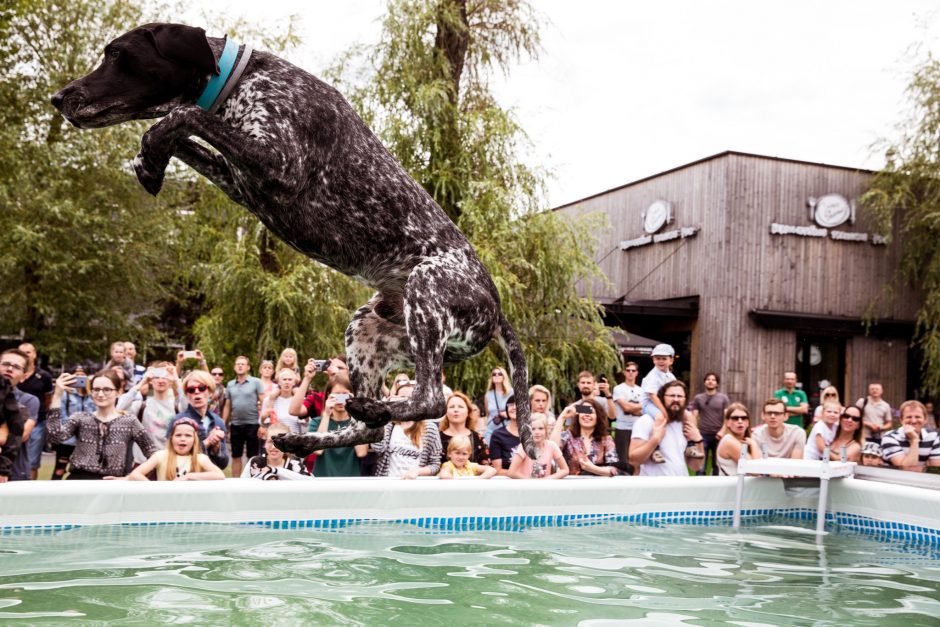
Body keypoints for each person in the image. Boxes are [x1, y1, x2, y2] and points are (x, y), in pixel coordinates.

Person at [46, 369, 158, 479]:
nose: (100, 394)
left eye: (107, 389)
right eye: (96, 389)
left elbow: (153, 453)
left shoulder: (129, 421)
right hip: (79, 482)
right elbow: (54, 437)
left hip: (112, 484)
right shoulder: (80, 418)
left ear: (118, 392)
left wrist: (130, 477)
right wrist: (57, 396)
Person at [630, 380, 705, 476]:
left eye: (680, 396)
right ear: (662, 398)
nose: (676, 399)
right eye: (672, 396)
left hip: (680, 487)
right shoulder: (646, 421)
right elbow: (633, 460)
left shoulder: (686, 424)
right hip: (654, 488)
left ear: (685, 400)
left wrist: (698, 440)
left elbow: (696, 467)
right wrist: (655, 440)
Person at [371, 379, 441, 478]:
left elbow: (435, 465)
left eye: (411, 398)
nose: (407, 401)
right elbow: (378, 448)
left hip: (415, 487)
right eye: (402, 397)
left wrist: (417, 471)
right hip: (388, 485)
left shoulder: (430, 428)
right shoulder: (389, 425)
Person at [117, 362, 183, 465]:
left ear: (170, 381)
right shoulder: (141, 406)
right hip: (142, 464)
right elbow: (119, 408)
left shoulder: (177, 407)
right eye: (157, 377)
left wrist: (176, 379)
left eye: (165, 377)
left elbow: (189, 407)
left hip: (168, 464)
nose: (160, 380)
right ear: (151, 380)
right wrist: (142, 382)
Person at [126, 418, 225, 481]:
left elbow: (219, 475)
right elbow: (135, 474)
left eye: (188, 436)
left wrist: (188, 476)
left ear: (195, 440)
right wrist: (156, 491)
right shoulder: (161, 455)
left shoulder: (201, 458)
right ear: (171, 438)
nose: (182, 439)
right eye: (178, 435)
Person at [307, 377, 369, 477]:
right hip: (322, 479)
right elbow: (318, 451)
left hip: (350, 480)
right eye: (336, 395)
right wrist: (326, 414)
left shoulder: (359, 423)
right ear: (328, 396)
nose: (340, 400)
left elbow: (361, 452)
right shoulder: (316, 422)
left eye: (345, 395)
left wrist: (354, 412)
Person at [168, 370, 229, 471]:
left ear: (210, 392)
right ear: (187, 395)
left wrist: (216, 448)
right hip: (186, 481)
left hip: (211, 481)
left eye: (201, 388)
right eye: (191, 389)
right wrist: (208, 442)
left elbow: (223, 464)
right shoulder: (178, 421)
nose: (196, 392)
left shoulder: (219, 422)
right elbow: (173, 458)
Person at [551, 399, 620, 476]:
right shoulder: (567, 436)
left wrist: (592, 468)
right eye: (584, 411)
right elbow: (552, 449)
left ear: (598, 416)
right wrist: (562, 417)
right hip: (570, 485)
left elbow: (614, 470)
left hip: (598, 485)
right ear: (578, 416)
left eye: (591, 412)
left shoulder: (606, 440)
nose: (587, 415)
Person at [16, 343, 54, 480]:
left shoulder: (44, 376)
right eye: (22, 352)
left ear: (34, 354)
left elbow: (48, 398)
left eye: (28, 352)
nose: (26, 355)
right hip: (13, 421)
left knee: (32, 462)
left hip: (37, 422)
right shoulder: (13, 373)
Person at [223, 355, 265, 478]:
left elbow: (264, 402)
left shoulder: (256, 382)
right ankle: (236, 483)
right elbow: (227, 406)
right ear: (234, 367)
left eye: (243, 364)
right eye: (238, 364)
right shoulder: (230, 384)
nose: (240, 366)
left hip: (253, 424)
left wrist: (263, 423)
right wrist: (222, 424)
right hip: (236, 425)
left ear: (248, 367)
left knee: (252, 456)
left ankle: (252, 481)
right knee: (236, 455)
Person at [2, 348, 39, 481]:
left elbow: (20, 436)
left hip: (15, 471)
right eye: (6, 364)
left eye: (17, 367)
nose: (10, 369)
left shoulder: (29, 401)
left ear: (24, 376)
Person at [53, 366, 95, 479]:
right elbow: (61, 414)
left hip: (87, 439)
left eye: (82, 374)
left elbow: (95, 414)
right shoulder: (66, 394)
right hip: (68, 439)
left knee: (83, 470)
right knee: (59, 469)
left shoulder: (92, 395)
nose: (80, 377)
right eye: (76, 374)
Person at [880, 400, 940, 472]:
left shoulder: (934, 436)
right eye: (909, 417)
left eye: (918, 417)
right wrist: (914, 441)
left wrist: (906, 460)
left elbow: (935, 468)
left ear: (925, 419)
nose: (913, 421)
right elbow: (907, 470)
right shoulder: (890, 437)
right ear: (901, 420)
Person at [691, 372, 730, 475]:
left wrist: (722, 431)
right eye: (708, 379)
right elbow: (694, 416)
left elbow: (727, 417)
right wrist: (695, 432)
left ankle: (716, 487)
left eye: (713, 380)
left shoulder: (723, 398)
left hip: (718, 435)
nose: (710, 381)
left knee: (717, 464)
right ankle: (700, 487)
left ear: (717, 384)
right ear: (704, 382)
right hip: (702, 435)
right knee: (701, 464)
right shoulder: (698, 398)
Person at [242, 423, 311, 480]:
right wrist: (266, 476)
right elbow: (242, 484)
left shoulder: (295, 465)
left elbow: (309, 481)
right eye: (270, 442)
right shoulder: (255, 462)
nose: (273, 447)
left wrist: (275, 470)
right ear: (265, 443)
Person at [508, 414, 568, 479]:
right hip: (526, 487)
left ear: (546, 430)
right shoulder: (524, 447)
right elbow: (511, 472)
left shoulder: (552, 446)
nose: (537, 432)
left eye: (540, 428)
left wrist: (548, 479)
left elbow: (565, 470)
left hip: (543, 487)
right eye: (533, 429)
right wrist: (530, 482)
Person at [438, 391, 489, 465]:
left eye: (460, 407)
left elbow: (486, 465)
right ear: (446, 412)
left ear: (468, 412)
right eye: (452, 407)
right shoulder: (436, 438)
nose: (456, 410)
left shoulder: (477, 438)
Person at [611, 363, 643, 473]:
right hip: (622, 428)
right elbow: (625, 407)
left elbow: (644, 411)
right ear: (624, 372)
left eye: (633, 370)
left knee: (636, 459)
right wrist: (638, 407)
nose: (630, 372)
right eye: (628, 370)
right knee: (623, 460)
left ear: (637, 373)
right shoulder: (618, 388)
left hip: (638, 429)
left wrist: (632, 407)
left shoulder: (641, 390)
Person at [715, 403, 760, 476]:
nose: (740, 421)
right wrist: (753, 444)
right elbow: (755, 470)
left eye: (744, 418)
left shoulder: (748, 439)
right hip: (731, 486)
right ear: (728, 423)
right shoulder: (729, 442)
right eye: (735, 418)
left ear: (747, 422)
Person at [261, 368, 306, 436]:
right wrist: (264, 417)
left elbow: (306, 424)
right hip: (275, 438)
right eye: (284, 379)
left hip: (295, 439)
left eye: (290, 379)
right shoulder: (268, 400)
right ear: (279, 382)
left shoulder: (300, 401)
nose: (287, 382)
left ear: (294, 382)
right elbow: (262, 423)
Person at [489, 394, 522, 476]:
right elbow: (498, 470)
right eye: (510, 405)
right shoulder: (498, 435)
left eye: (518, 404)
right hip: (507, 483)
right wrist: (523, 477)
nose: (514, 407)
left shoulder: (535, 433)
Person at [483, 366, 512, 444]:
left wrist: (507, 414)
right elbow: (488, 414)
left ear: (504, 377)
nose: (497, 376)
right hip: (491, 430)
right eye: (494, 374)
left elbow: (517, 411)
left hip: (507, 429)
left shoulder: (511, 393)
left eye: (500, 374)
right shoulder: (488, 395)